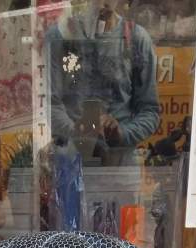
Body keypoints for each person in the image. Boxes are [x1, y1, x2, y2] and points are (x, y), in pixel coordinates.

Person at [47, 1, 160, 167]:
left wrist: (122, 133)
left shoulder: (136, 38)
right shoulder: (60, 35)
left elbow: (149, 111)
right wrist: (77, 132)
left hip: (119, 167)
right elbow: (49, 105)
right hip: (71, 166)